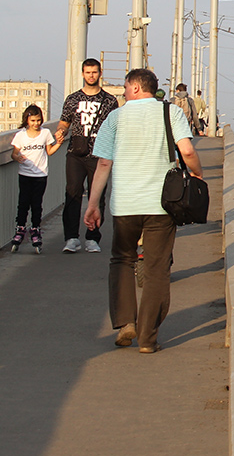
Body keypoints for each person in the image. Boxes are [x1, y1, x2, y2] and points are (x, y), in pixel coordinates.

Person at [84, 68, 201, 354]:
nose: (123, 92)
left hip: (124, 204)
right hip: (161, 204)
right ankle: (148, 339)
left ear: (136, 88)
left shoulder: (116, 117)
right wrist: (198, 174)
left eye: (125, 87)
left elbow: (103, 164)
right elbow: (186, 151)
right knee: (157, 268)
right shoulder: (170, 112)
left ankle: (126, 323)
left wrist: (92, 204)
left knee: (121, 260)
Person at [55, 57, 120, 253]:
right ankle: (71, 238)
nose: (91, 75)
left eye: (94, 72)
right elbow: (64, 123)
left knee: (96, 195)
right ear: (82, 74)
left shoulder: (110, 101)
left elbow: (115, 127)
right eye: (87, 72)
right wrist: (60, 132)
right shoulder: (73, 99)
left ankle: (93, 238)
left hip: (99, 155)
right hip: (76, 153)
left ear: (100, 73)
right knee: (72, 194)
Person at [10, 105, 63, 253]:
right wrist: (17, 157)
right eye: (33, 120)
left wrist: (59, 143)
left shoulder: (45, 133)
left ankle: (35, 229)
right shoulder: (20, 136)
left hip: (40, 175)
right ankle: (20, 229)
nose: (36, 123)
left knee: (36, 204)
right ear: (27, 120)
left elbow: (49, 151)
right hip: (25, 175)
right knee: (23, 203)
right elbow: (13, 153)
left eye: (38, 120)